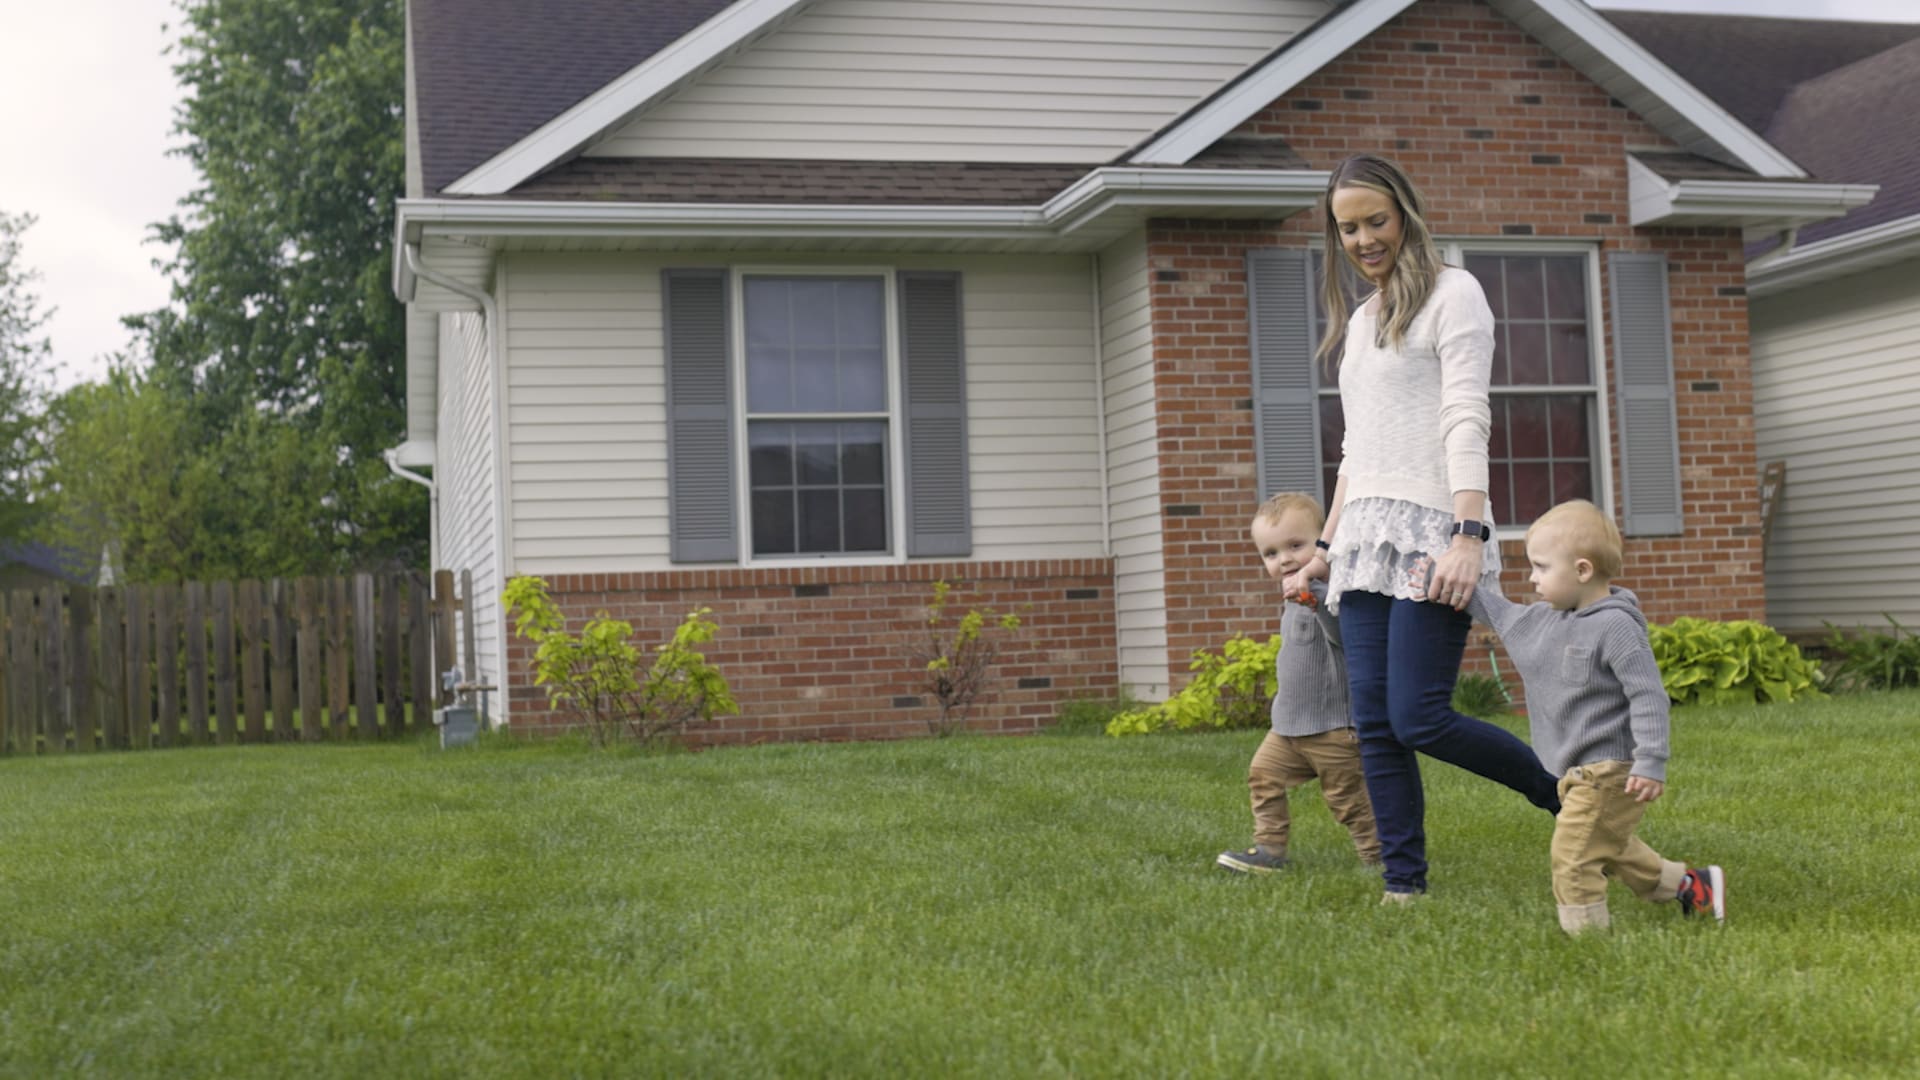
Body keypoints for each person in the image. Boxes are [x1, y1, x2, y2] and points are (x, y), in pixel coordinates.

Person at [1283, 154, 1560, 904]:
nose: (1365, 238)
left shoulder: (1454, 293)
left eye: (1376, 220)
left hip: (1437, 527)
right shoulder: (1364, 321)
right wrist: (1326, 549)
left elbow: (1466, 417)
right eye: (1348, 228)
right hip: (1366, 540)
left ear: (1404, 213)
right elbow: (1356, 451)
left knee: (1419, 716)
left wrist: (1468, 534)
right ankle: (1404, 888)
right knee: (1375, 725)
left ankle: (1568, 801)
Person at [1443, 499, 1724, 933]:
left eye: (1541, 567)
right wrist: (1438, 578)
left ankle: (1588, 944)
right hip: (1573, 771)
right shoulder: (1545, 620)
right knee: (1606, 844)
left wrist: (1652, 761)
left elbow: (1648, 696)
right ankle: (1692, 886)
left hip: (1611, 771)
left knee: (1574, 857)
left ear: (1582, 571)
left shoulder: (1616, 627)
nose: (1532, 578)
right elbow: (1498, 612)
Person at [1217, 492, 1380, 874]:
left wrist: (1317, 601)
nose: (1285, 559)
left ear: (1324, 543)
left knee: (1348, 799)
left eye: (1295, 545)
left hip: (1332, 727)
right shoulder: (1292, 597)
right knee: (1262, 776)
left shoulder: (1333, 592)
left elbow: (1346, 637)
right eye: (1271, 553)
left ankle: (1380, 857)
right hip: (1288, 727)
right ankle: (1269, 848)